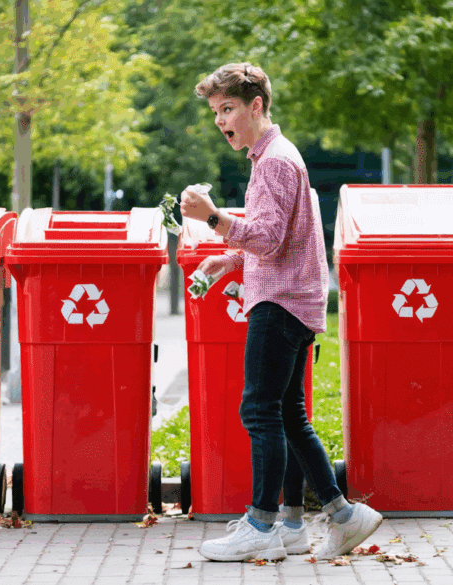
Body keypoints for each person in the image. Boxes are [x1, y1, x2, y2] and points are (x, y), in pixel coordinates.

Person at [181, 63, 382, 562]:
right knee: (290, 416)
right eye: (214, 112)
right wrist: (225, 259)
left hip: (279, 303)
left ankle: (263, 525)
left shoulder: (273, 162)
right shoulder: (275, 156)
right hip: (295, 299)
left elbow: (268, 240)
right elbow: (280, 237)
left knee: (259, 410)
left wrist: (213, 217)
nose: (220, 120)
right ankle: (343, 516)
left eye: (228, 109)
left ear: (257, 106)